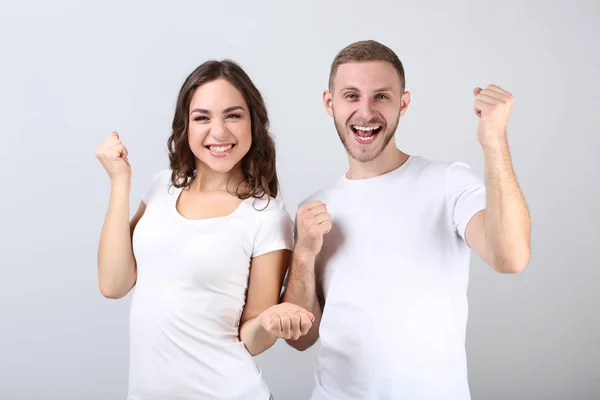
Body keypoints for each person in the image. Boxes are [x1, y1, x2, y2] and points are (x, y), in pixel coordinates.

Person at [281, 40, 532, 399]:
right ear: (329, 103)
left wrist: (494, 141)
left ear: (404, 103)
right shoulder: (313, 209)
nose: (365, 112)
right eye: (351, 95)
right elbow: (302, 339)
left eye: (381, 96)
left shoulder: (448, 183)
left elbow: (511, 257)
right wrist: (303, 254)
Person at [94, 59, 313, 400]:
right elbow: (113, 284)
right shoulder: (160, 188)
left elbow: (252, 340)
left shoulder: (267, 216)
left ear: (253, 123)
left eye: (233, 115)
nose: (219, 131)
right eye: (202, 117)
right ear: (186, 126)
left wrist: (270, 322)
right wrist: (120, 181)